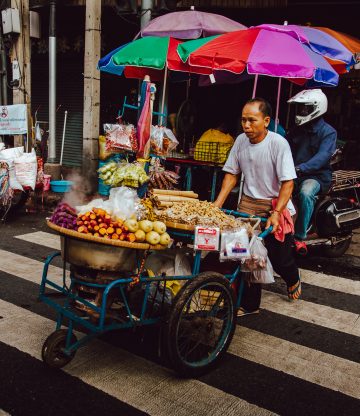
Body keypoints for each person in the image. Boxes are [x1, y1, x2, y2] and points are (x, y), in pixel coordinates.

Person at [214, 98, 301, 315]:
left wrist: (277, 212)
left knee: (280, 259)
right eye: (243, 120)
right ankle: (250, 305)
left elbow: (288, 182)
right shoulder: (240, 141)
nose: (246, 125)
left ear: (266, 121)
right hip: (247, 204)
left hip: (275, 204)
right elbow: (232, 174)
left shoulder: (278, 143)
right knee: (244, 256)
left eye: (252, 120)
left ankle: (293, 277)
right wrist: (217, 204)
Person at [287, 89, 337, 246]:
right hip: (295, 173)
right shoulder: (297, 130)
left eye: (305, 108)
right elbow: (285, 147)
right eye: (300, 108)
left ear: (317, 108)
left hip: (317, 176)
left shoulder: (328, 132)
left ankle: (299, 235)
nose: (302, 111)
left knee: (306, 193)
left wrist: (300, 168)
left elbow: (322, 158)